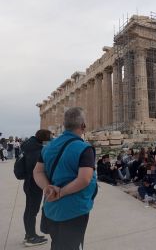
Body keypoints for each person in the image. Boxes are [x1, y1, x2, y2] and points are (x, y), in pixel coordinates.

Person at [33, 107, 97, 250]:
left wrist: (48, 188)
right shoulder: (84, 148)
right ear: (83, 126)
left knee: (57, 244)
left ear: (65, 125)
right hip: (73, 210)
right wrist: (60, 192)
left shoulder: (49, 147)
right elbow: (84, 179)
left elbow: (37, 172)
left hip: (52, 208)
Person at [21, 129, 52, 246]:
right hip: (34, 184)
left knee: (29, 210)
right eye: (50, 137)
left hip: (29, 183)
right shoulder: (37, 151)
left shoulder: (30, 146)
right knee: (32, 211)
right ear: (44, 139)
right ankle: (31, 238)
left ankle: (29, 234)